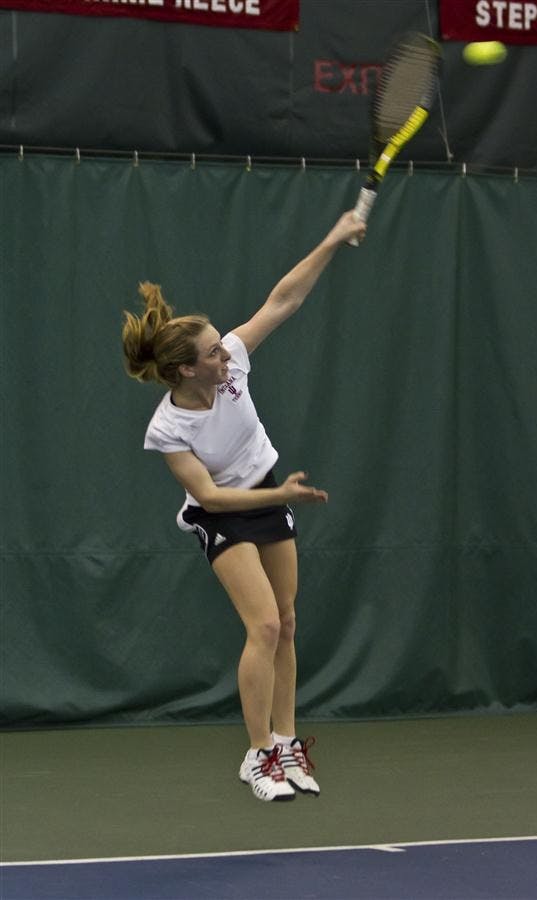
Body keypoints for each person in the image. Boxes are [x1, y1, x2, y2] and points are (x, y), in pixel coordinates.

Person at [122, 210, 367, 802]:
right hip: (222, 515)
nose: (227, 354)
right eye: (214, 353)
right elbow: (206, 495)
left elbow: (282, 301)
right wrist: (280, 495)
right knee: (260, 624)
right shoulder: (170, 426)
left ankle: (286, 743)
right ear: (188, 369)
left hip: (266, 489)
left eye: (223, 348)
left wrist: (331, 238)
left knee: (286, 623)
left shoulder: (232, 364)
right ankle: (257, 757)